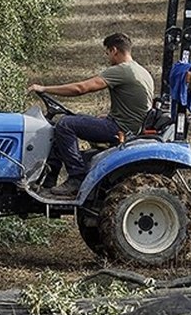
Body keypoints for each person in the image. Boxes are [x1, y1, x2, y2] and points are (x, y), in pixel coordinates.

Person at [27, 32, 154, 197]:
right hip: (127, 126)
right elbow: (133, 105)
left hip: (121, 130)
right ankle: (48, 181)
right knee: (71, 120)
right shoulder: (142, 71)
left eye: (107, 53)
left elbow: (81, 88)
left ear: (114, 50)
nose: (108, 57)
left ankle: (76, 178)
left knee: (65, 124)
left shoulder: (122, 70)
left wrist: (44, 88)